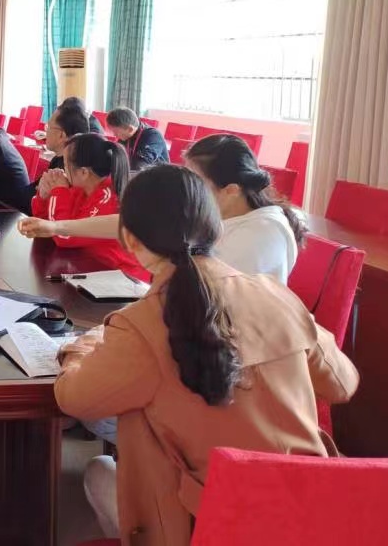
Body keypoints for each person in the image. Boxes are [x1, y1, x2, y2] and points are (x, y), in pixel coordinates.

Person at [54, 165, 358, 544]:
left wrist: (83, 344)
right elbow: (343, 383)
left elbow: (74, 399)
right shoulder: (275, 294)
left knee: (99, 470)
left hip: (206, 524)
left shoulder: (141, 324)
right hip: (313, 516)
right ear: (216, 228)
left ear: (129, 239)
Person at [18, 133, 306, 284]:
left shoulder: (262, 233)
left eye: (195, 181)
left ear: (231, 190)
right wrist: (56, 226)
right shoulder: (215, 211)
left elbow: (206, 293)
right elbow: (129, 221)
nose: (187, 188)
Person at [31, 133, 145, 280]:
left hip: (120, 279)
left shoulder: (108, 198)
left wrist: (58, 191)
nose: (63, 170)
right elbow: (43, 226)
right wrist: (44, 196)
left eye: (65, 165)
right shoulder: (81, 189)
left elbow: (64, 236)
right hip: (88, 268)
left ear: (84, 172)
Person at [27, 103, 93, 201]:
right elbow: (35, 190)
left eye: (48, 127)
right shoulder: (57, 159)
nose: (45, 132)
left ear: (62, 135)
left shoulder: (75, 172)